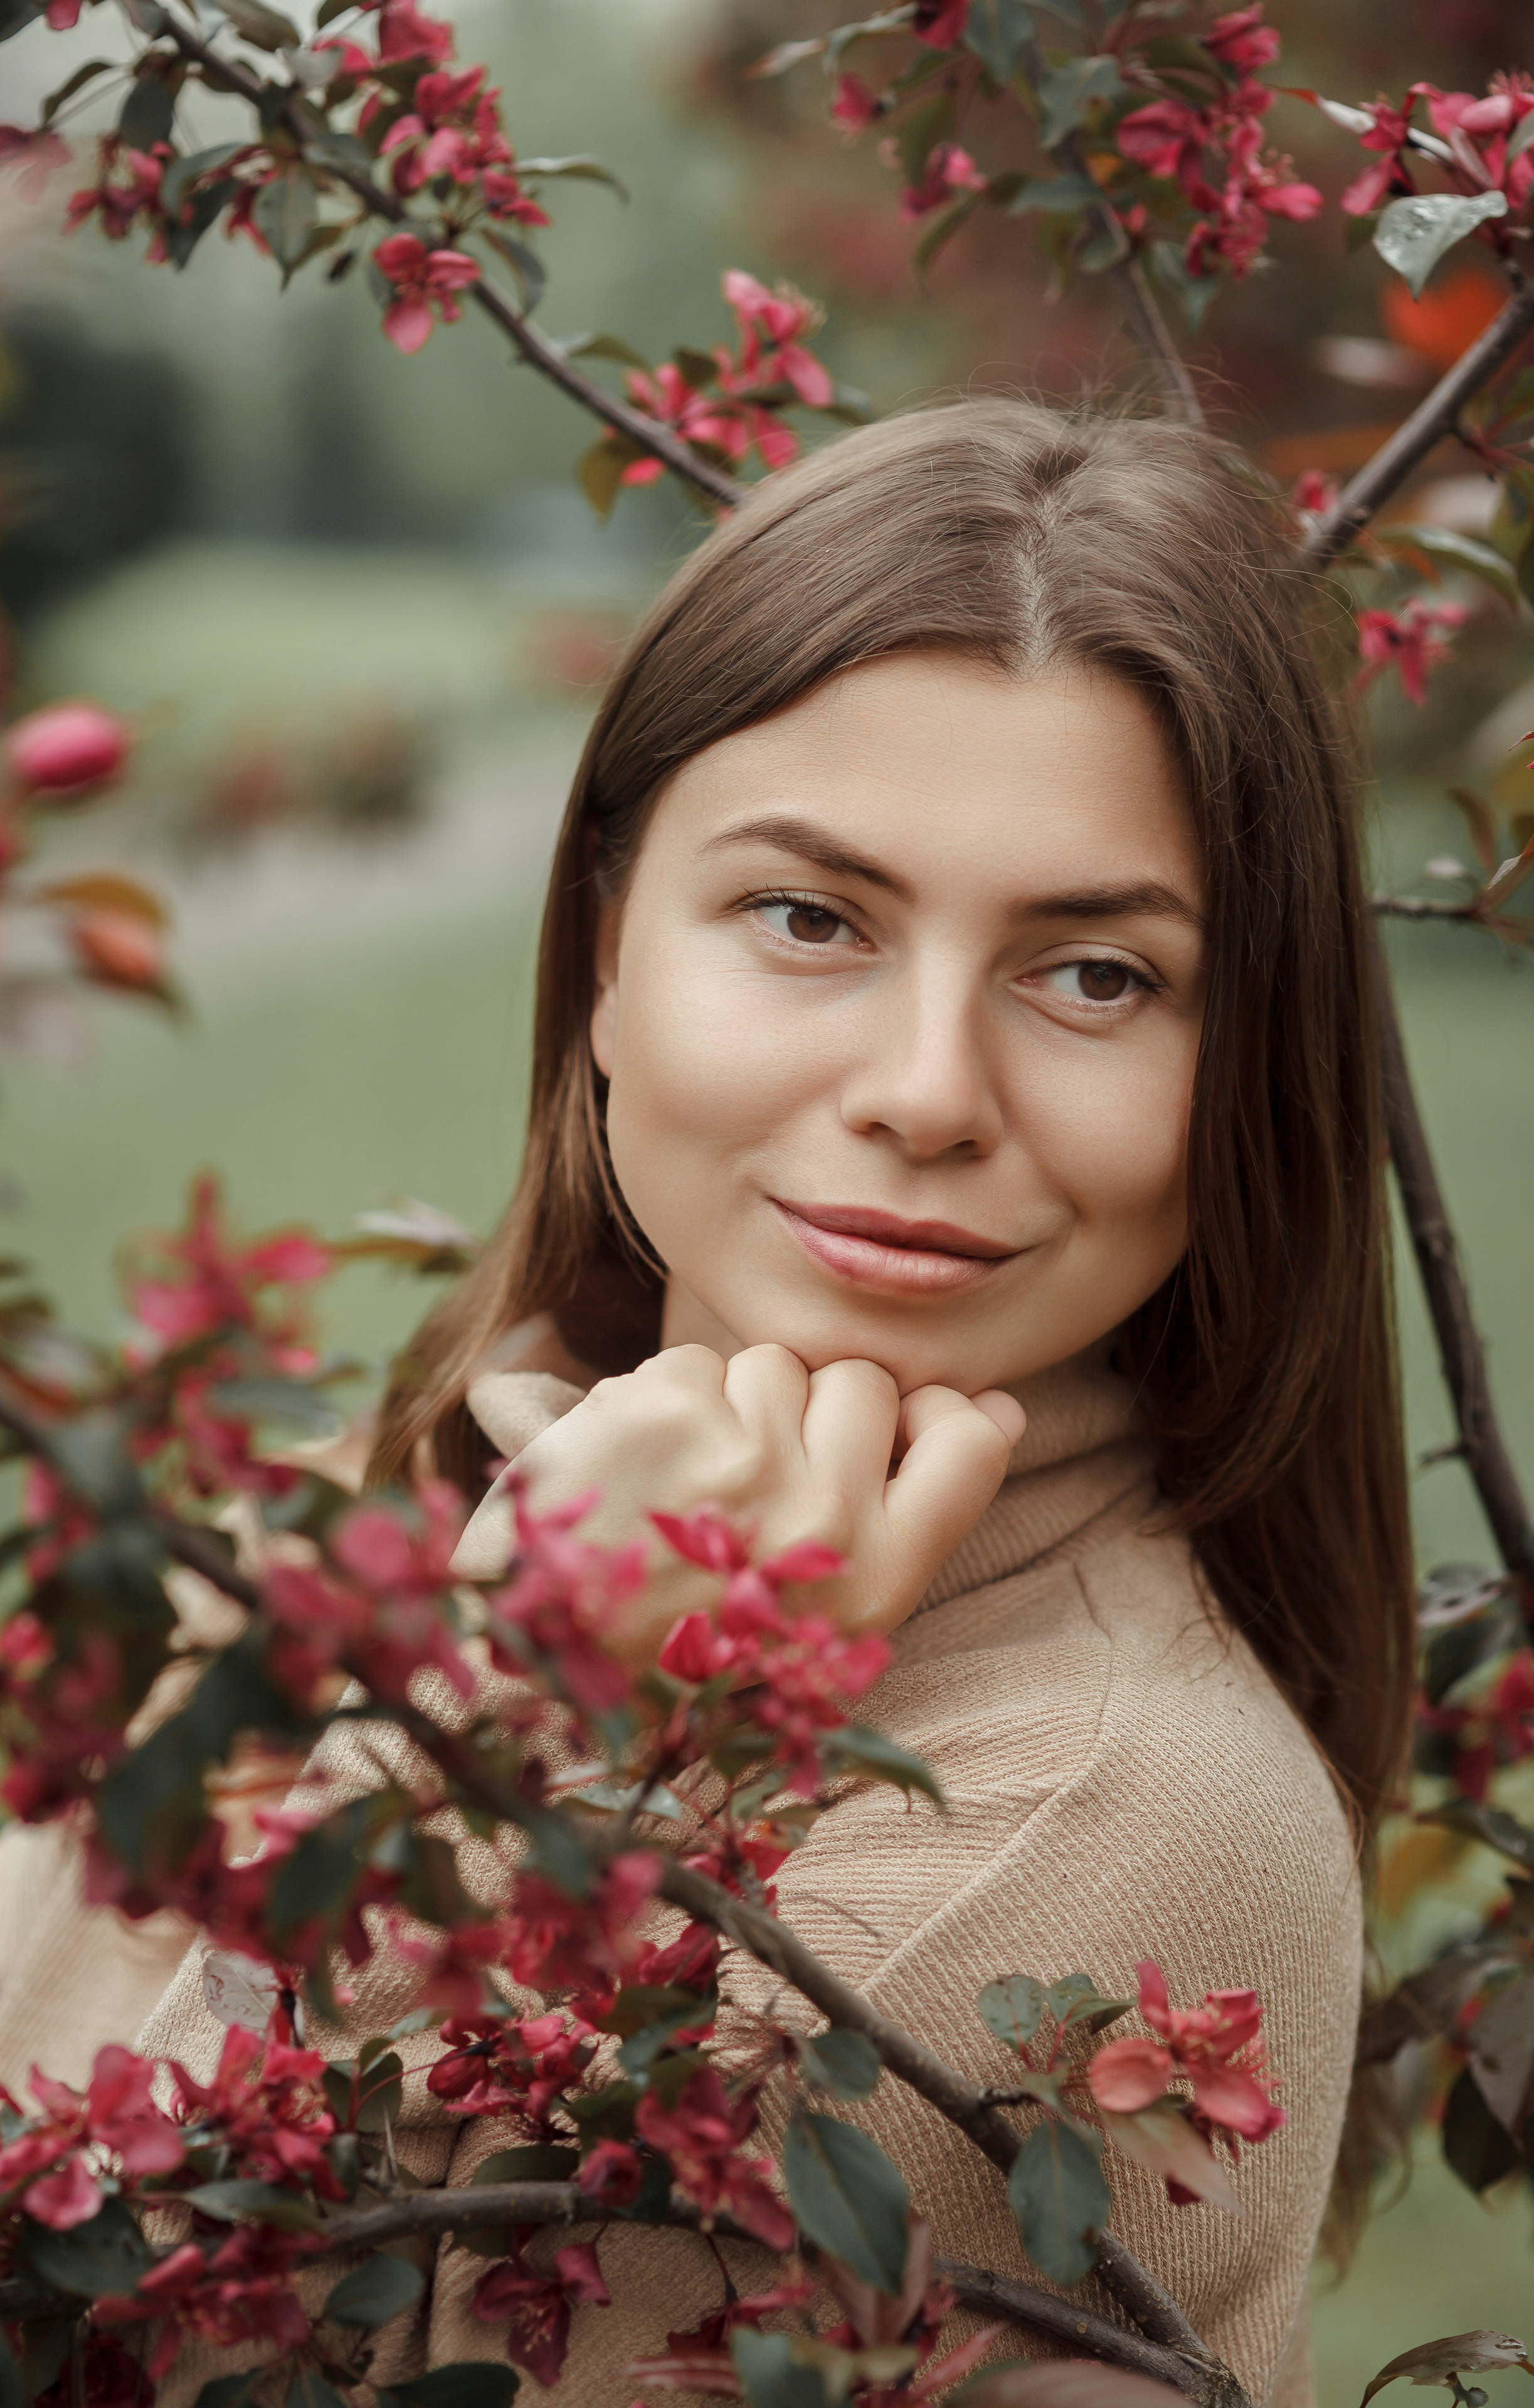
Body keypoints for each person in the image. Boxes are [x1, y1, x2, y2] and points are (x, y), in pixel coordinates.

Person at [8, 399, 1415, 2405]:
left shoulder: (1105, 1829)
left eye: (1097, 974)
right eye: (810, 918)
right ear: (603, 958)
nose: (928, 1088)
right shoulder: (372, 1497)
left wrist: (528, 1735)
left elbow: (137, 2336)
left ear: (1246, 1060)